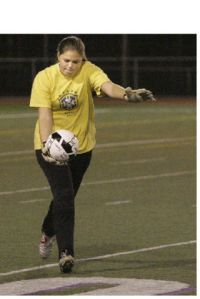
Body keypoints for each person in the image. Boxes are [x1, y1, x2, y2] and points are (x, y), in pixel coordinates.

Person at [30, 35, 155, 273]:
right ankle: (66, 253)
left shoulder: (89, 71)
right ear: (58, 57)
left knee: (65, 197)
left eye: (75, 61)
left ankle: (48, 231)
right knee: (64, 195)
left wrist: (127, 94)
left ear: (82, 60)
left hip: (82, 148)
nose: (70, 66)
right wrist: (48, 145)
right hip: (49, 147)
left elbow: (108, 87)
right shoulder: (44, 78)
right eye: (66, 60)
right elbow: (44, 114)